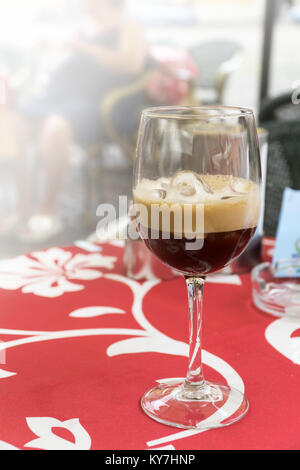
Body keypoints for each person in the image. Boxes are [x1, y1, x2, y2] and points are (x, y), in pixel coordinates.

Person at [4, 0, 147, 240]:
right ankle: (23, 206)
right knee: (14, 122)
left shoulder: (128, 27)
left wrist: (83, 46)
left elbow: (131, 66)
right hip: (60, 94)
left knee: (55, 127)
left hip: (98, 99)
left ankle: (48, 211)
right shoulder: (82, 26)